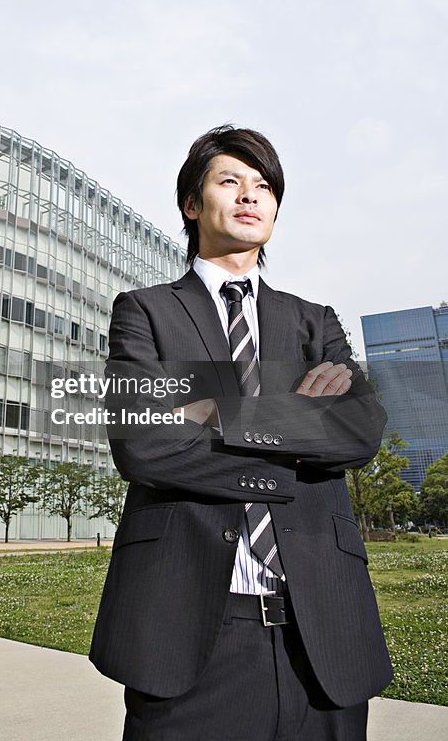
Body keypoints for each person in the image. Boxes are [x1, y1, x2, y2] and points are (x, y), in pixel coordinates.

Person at [89, 125, 392, 741]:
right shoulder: (145, 311)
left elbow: (360, 433)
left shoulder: (314, 322)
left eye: (264, 186)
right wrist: (299, 421)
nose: (251, 196)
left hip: (323, 637)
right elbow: (145, 445)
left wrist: (214, 413)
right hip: (193, 636)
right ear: (192, 204)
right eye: (230, 181)